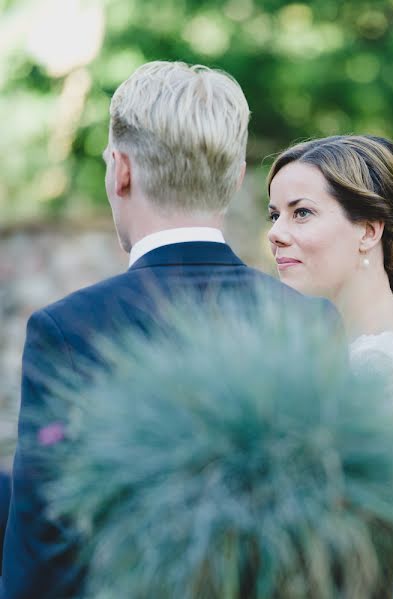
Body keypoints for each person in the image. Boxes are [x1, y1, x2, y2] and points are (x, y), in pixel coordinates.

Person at [0, 61, 336, 599]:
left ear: (121, 171)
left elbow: (45, 541)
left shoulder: (68, 329)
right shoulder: (306, 321)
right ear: (236, 178)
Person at [266, 134, 393, 599]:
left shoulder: (379, 366)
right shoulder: (373, 348)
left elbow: (346, 535)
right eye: (274, 215)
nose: (275, 232)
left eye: (301, 212)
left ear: (368, 231)